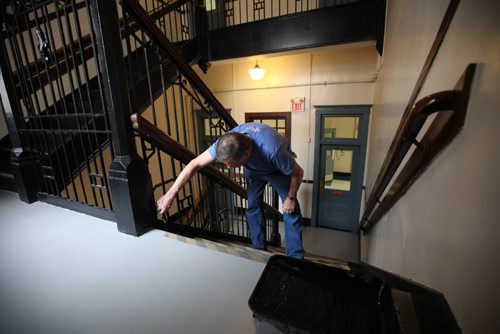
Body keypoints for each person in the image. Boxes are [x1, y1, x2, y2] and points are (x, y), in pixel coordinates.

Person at [156, 122, 305, 259]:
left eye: (232, 164)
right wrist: (170, 194)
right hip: (254, 171)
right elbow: (194, 164)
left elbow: (298, 173)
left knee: (290, 210)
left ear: (246, 154)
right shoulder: (226, 142)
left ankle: (295, 258)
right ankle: (259, 251)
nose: (228, 168)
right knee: (253, 207)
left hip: (276, 169)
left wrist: (290, 198)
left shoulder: (273, 149)